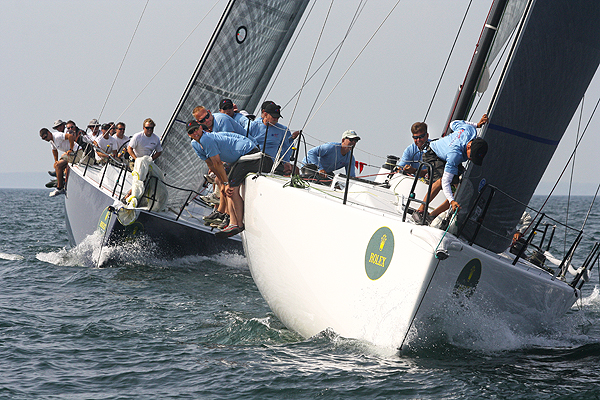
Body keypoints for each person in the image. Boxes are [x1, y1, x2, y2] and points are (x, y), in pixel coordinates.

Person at [186, 120, 263, 238]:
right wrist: (222, 182)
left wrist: (226, 183)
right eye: (191, 131)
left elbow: (217, 163)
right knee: (226, 188)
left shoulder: (206, 139)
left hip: (249, 153)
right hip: (239, 157)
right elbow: (210, 164)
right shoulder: (195, 144)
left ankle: (237, 224)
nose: (195, 132)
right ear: (189, 135)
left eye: (196, 129)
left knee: (231, 188)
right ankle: (233, 222)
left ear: (201, 128)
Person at [413, 114, 489, 224]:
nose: (471, 160)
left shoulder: (471, 130)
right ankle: (420, 210)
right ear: (468, 147)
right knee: (442, 180)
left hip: (447, 154)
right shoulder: (455, 155)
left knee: (463, 190)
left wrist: (476, 124)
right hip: (433, 153)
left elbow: (454, 123)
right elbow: (446, 181)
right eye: (471, 156)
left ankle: (432, 216)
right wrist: (451, 201)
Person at [247, 101, 299, 175]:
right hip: (253, 160)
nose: (276, 120)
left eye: (277, 118)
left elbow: (286, 146)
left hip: (269, 165)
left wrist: (286, 162)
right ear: (265, 114)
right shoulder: (253, 125)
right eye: (273, 117)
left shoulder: (282, 129)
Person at [39, 126, 81, 197]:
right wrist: (56, 161)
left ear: (49, 133)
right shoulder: (52, 141)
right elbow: (54, 150)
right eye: (43, 139)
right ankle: (60, 179)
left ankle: (59, 187)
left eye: (46, 137)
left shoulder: (57, 136)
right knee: (57, 165)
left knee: (58, 166)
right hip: (70, 155)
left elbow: (70, 136)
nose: (46, 139)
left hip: (77, 153)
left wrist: (71, 149)